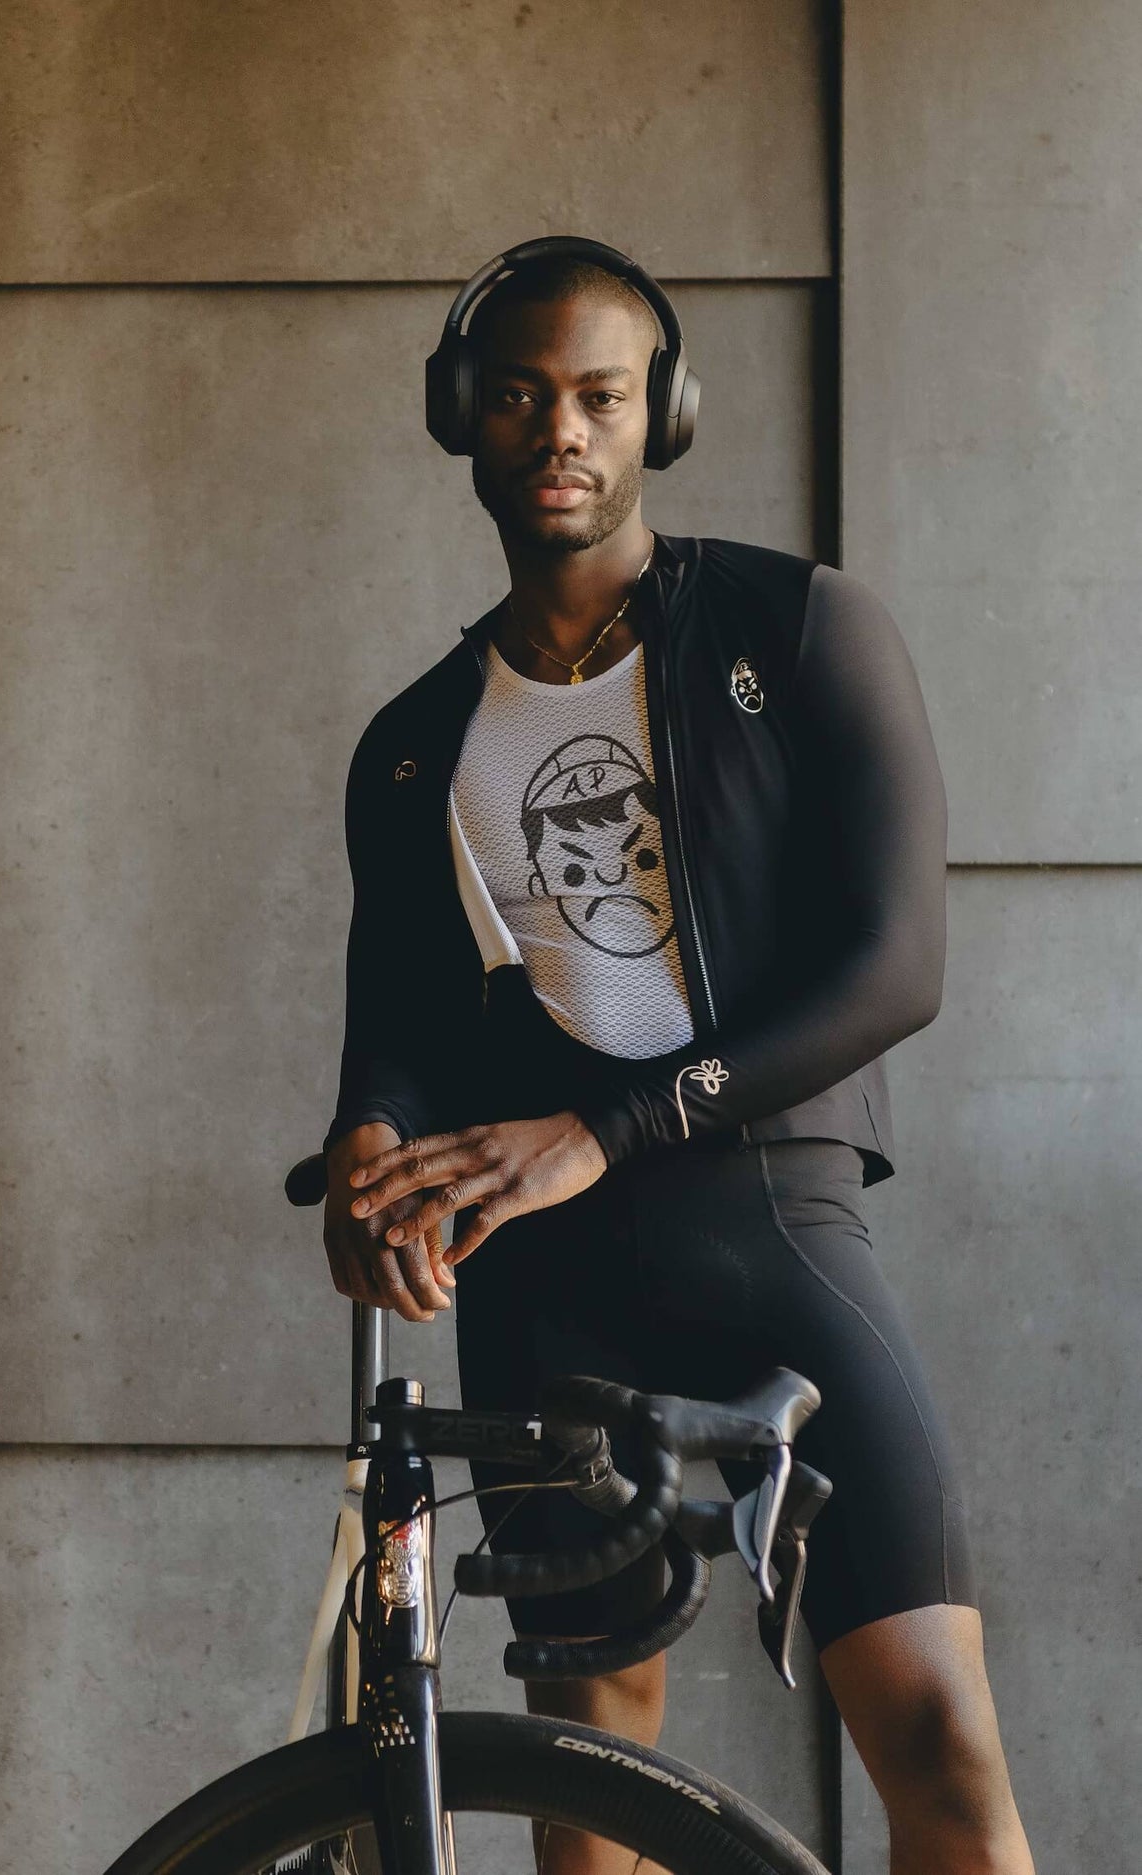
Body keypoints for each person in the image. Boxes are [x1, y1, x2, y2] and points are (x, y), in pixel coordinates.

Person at [319, 241, 1035, 1875]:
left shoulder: (804, 628)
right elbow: (397, 1035)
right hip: (540, 1282)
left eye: (601, 394)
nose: (561, 429)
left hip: (772, 1229)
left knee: (941, 1745)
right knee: (592, 1799)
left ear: (666, 413)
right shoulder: (417, 741)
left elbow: (896, 968)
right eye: (520, 394)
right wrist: (369, 1139)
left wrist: (607, 1128)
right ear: (461, 414)